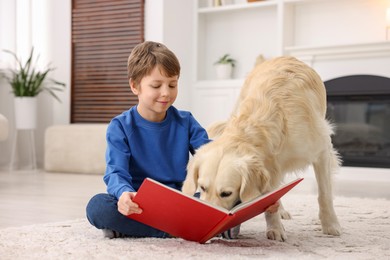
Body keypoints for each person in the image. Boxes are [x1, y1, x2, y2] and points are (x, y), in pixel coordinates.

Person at [86, 41, 241, 239]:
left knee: (233, 197)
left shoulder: (186, 121)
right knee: (98, 207)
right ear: (135, 86)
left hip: (181, 201)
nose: (166, 92)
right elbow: (116, 172)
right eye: (156, 85)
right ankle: (202, 228)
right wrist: (124, 194)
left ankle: (133, 230)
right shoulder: (120, 126)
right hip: (139, 204)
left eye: (172, 84)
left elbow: (212, 156)